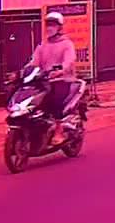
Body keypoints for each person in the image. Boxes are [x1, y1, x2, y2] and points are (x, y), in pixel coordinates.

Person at [26, 11, 77, 141]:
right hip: (44, 81)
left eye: (53, 24)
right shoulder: (42, 45)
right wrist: (24, 72)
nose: (49, 28)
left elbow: (69, 61)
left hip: (62, 80)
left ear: (60, 27)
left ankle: (59, 131)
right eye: (48, 24)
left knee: (56, 100)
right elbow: (34, 62)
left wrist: (60, 70)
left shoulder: (67, 44)